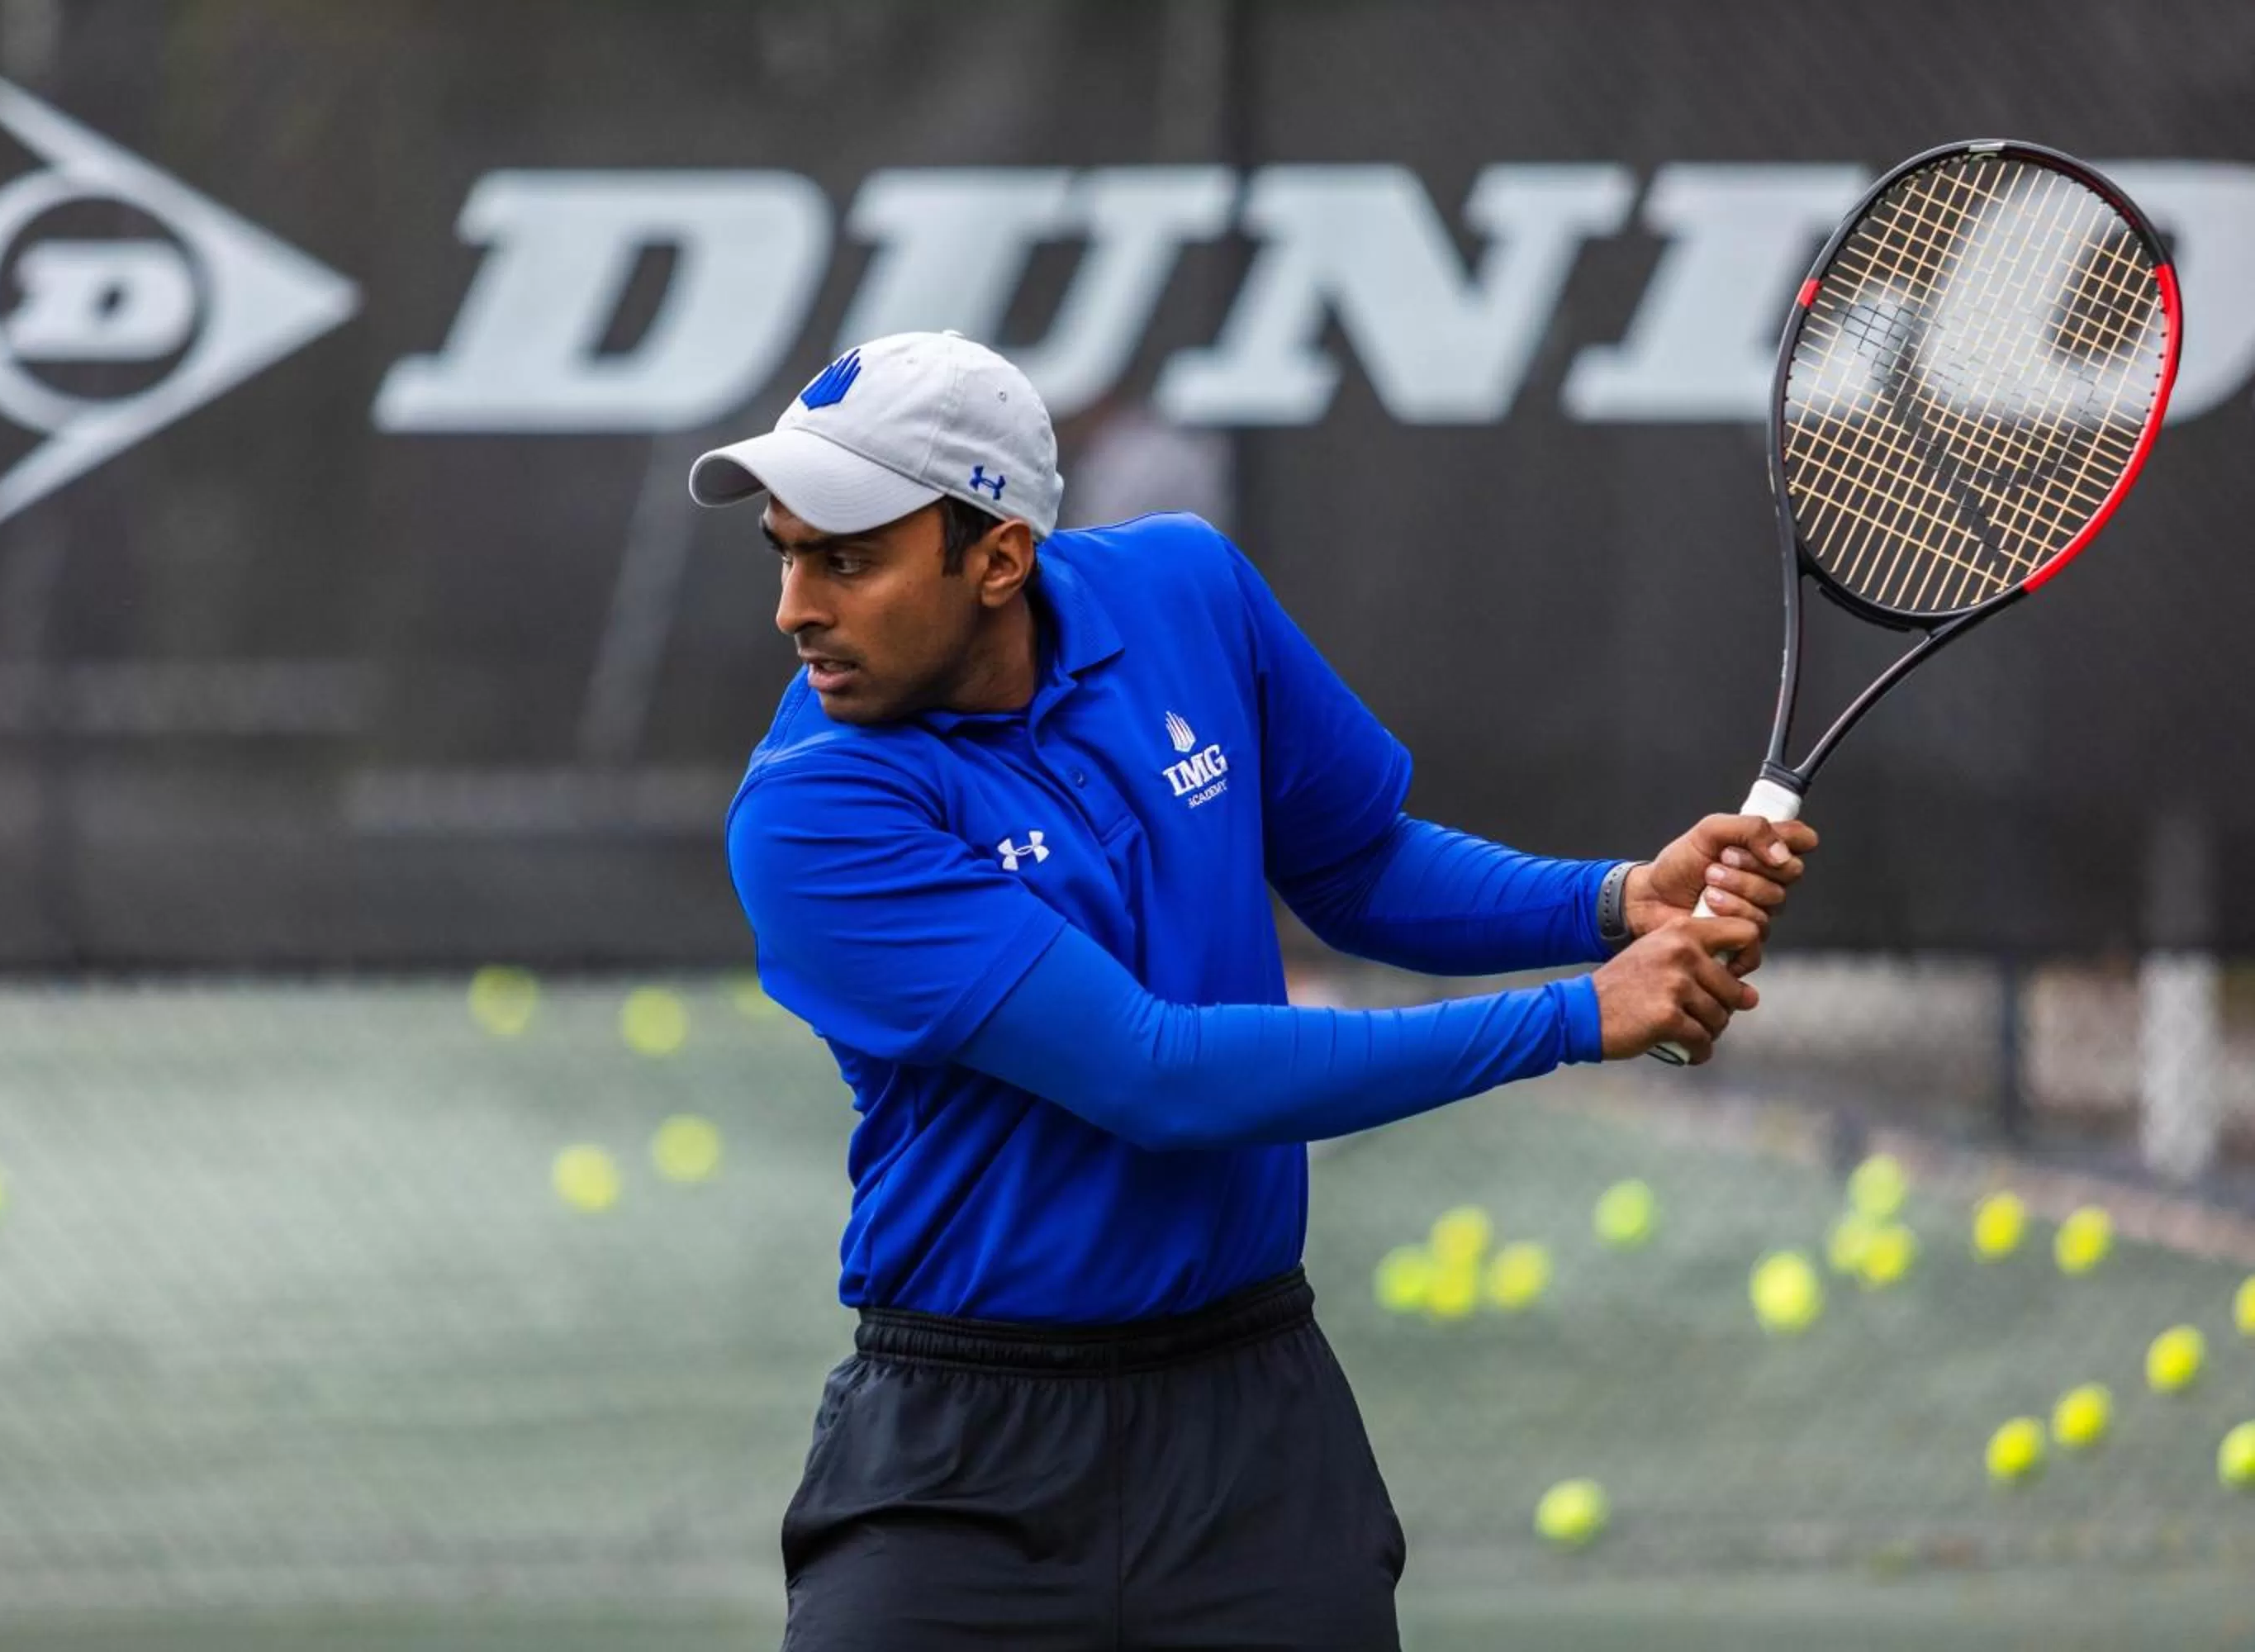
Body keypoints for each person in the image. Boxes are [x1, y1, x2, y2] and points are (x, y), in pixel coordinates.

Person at [689, 331, 1816, 1650]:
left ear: (998, 557)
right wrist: (1578, 1015)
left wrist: (1612, 901)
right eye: (786, 554)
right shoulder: (813, 809)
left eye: (847, 560)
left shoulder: (1188, 591)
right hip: (959, 1459)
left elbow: (1356, 863)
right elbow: (1155, 1075)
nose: (796, 609)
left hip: (1252, 1429)